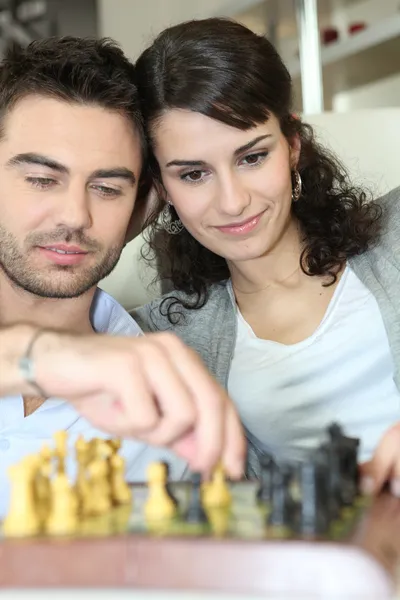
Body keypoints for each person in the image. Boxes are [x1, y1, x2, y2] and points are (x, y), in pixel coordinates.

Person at [132, 18, 400, 495]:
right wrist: (122, 218)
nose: (232, 201)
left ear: (292, 146)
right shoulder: (167, 336)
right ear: (161, 185)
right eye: (193, 174)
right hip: (334, 561)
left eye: (252, 157)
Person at [0, 36, 245, 516]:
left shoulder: (173, 402)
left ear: (144, 205)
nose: (75, 216)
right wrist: (39, 356)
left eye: (107, 188)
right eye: (42, 179)